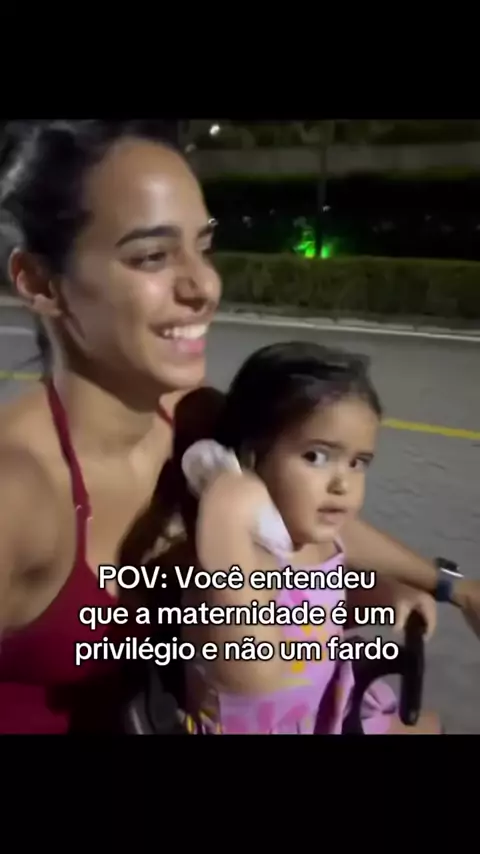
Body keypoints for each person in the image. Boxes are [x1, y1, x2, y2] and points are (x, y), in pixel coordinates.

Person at [0, 118, 478, 735]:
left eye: (204, 247)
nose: (204, 286)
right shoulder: (18, 493)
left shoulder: (194, 419)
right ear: (40, 282)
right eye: (151, 256)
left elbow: (291, 523)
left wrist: (442, 587)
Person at [180, 342, 443, 734]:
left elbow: (316, 607)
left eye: (358, 463)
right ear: (250, 457)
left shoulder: (318, 542)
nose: (342, 483)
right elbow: (252, 674)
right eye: (316, 457)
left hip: (322, 710)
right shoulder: (237, 560)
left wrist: (387, 594)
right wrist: (229, 512)